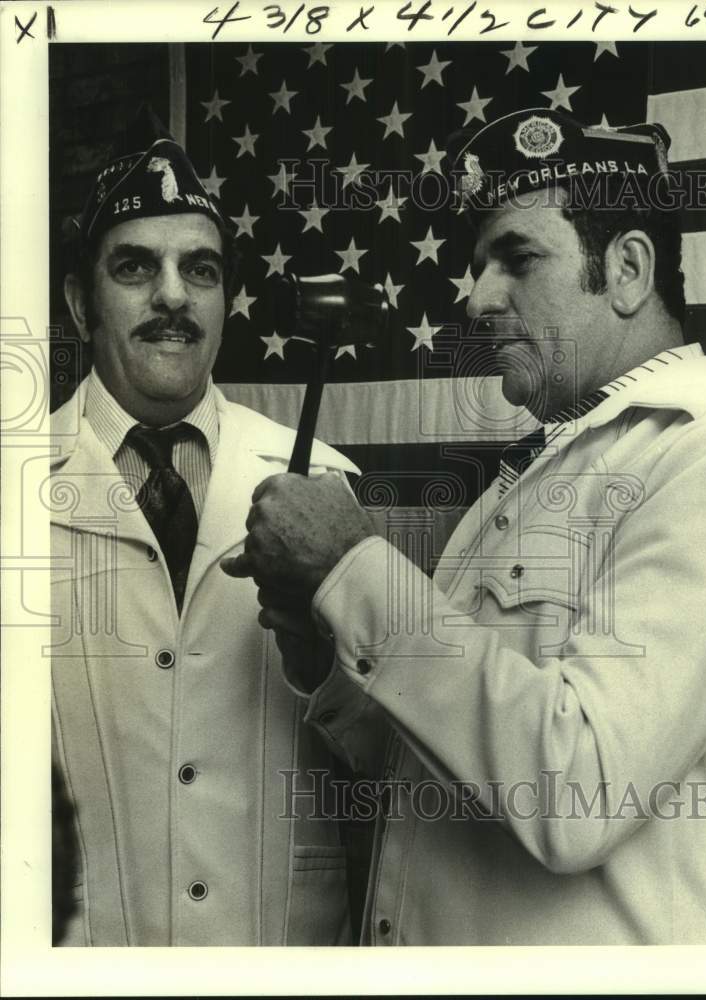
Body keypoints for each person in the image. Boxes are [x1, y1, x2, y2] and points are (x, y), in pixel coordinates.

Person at [222, 108, 706, 945]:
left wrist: (353, 567)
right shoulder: (532, 479)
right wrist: (329, 657)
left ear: (629, 271)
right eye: (475, 265)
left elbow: (580, 787)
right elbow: (441, 763)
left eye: (518, 258)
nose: (475, 297)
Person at [50, 107, 358, 946]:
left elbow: (387, 763)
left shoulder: (323, 483)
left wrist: (331, 663)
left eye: (202, 270)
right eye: (136, 268)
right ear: (81, 306)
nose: (174, 296)